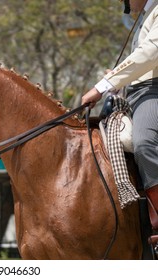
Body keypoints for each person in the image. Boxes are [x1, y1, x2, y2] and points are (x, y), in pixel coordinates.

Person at [81, 0, 158, 220]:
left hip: (153, 93)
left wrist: (102, 86)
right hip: (136, 92)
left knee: (144, 143)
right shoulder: (145, 15)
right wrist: (117, 80)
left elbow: (150, 54)